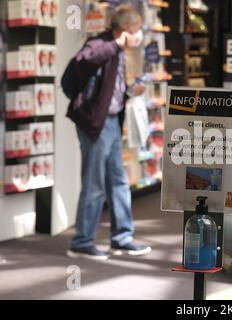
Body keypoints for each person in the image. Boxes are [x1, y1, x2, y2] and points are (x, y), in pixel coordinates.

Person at [66, 4, 151, 260]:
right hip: (95, 123)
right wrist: (115, 44)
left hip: (112, 122)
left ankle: (122, 237)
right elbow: (84, 61)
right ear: (126, 30)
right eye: (136, 31)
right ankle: (81, 242)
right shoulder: (100, 44)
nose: (138, 36)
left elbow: (108, 90)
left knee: (119, 181)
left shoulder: (118, 52)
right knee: (94, 184)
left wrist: (128, 92)